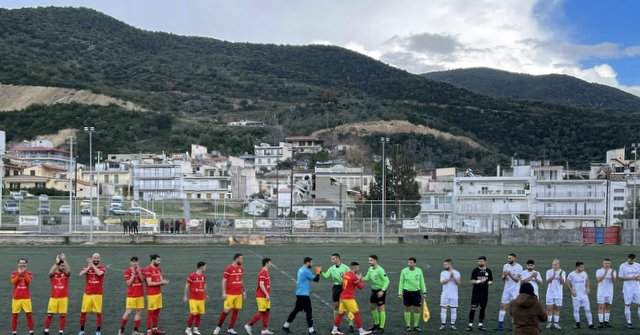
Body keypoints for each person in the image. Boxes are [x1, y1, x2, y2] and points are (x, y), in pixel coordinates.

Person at [330, 262, 373, 335]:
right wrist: (360, 279)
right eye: (358, 267)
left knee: (340, 314)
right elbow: (361, 287)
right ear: (354, 267)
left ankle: (334, 330)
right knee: (356, 313)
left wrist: (357, 279)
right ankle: (361, 331)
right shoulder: (354, 277)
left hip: (342, 297)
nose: (358, 269)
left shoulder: (346, 274)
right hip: (349, 298)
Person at [282, 257, 320, 334]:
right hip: (304, 295)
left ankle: (286, 326)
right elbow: (316, 280)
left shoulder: (301, 269)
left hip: (299, 293)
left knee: (296, 310)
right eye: (311, 263)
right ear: (307, 262)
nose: (312, 264)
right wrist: (318, 272)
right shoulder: (306, 271)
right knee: (309, 311)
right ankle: (311, 330)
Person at [214, 253, 245, 335]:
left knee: (236, 311)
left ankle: (230, 328)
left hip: (238, 294)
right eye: (241, 259)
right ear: (236, 259)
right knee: (226, 311)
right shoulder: (229, 268)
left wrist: (244, 291)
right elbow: (224, 280)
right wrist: (224, 292)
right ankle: (218, 327)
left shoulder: (241, 268)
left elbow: (241, 280)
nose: (242, 260)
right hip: (230, 294)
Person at [321, 253, 352, 332]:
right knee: (336, 306)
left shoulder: (345, 267)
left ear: (338, 259)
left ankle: (351, 324)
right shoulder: (331, 268)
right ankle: (336, 325)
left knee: (347, 306)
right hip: (336, 288)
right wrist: (320, 272)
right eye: (331, 259)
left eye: (333, 259)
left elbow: (351, 276)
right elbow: (326, 276)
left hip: (344, 288)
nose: (332, 260)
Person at [78, 253, 106, 335]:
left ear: (100, 259)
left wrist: (91, 265)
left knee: (98, 313)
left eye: (97, 258)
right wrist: (89, 267)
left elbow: (99, 273)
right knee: (83, 312)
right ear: (92, 258)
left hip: (98, 294)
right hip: (87, 294)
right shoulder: (88, 267)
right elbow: (80, 274)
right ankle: (82, 330)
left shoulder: (102, 267)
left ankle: (98, 331)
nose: (96, 259)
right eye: (94, 258)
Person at [245, 258, 274, 335]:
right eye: (270, 262)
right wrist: (267, 294)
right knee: (262, 312)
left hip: (266, 296)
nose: (271, 264)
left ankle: (265, 329)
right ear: (266, 263)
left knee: (267, 311)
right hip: (261, 296)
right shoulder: (263, 272)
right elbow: (261, 285)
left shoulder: (266, 271)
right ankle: (248, 325)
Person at [398, 257, 426, 332]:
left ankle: (416, 326)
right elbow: (401, 282)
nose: (409, 264)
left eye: (411, 263)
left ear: (414, 263)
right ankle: (408, 325)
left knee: (417, 309)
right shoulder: (404, 271)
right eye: (408, 262)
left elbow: (422, 281)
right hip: (406, 292)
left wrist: (424, 291)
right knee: (407, 308)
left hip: (416, 292)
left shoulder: (419, 271)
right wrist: (400, 293)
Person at [143, 254, 169, 335]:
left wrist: (164, 282)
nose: (159, 262)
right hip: (151, 295)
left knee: (157, 313)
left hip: (158, 294)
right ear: (153, 260)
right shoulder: (148, 269)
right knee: (150, 313)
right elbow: (149, 283)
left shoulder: (159, 269)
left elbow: (160, 280)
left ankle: (155, 329)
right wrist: (161, 282)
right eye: (158, 260)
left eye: (159, 260)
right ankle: (148, 331)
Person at [363, 255, 390, 333]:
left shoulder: (380, 270)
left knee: (381, 308)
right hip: (374, 291)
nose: (369, 262)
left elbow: (387, 281)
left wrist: (382, 291)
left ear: (375, 261)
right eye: (369, 260)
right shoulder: (370, 269)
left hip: (380, 291)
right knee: (372, 307)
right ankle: (376, 324)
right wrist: (360, 278)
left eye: (371, 260)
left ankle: (381, 327)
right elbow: (367, 278)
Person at [45, 254, 71, 335]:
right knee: (50, 314)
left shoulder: (66, 275)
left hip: (63, 298)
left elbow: (69, 271)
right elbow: (50, 273)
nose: (63, 267)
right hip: (54, 298)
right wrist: (57, 263)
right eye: (61, 266)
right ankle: (46, 330)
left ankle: (61, 331)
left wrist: (64, 260)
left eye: (64, 266)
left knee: (62, 315)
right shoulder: (53, 275)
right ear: (58, 266)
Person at [120, 256, 146, 335]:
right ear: (130, 262)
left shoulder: (141, 270)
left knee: (138, 312)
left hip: (140, 295)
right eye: (133, 261)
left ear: (138, 262)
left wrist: (139, 271)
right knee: (128, 312)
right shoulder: (127, 271)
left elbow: (142, 280)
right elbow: (128, 283)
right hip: (131, 295)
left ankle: (135, 331)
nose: (135, 263)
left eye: (136, 261)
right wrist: (133, 274)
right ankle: (121, 331)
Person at [467, 256, 493, 332]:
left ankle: (480, 325)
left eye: (481, 261)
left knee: (482, 309)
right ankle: (470, 325)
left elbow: (491, 280)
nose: (480, 263)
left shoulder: (488, 271)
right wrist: (478, 281)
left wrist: (489, 283)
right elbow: (471, 281)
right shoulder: (475, 270)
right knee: (473, 308)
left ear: (485, 262)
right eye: (479, 261)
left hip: (484, 293)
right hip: (476, 293)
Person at [497, 253, 522, 331]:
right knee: (502, 306)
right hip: (506, 290)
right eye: (508, 258)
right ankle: (500, 325)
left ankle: (514, 326)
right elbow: (503, 278)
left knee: (514, 308)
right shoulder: (505, 266)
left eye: (510, 258)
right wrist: (504, 276)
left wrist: (510, 274)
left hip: (515, 290)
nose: (508, 260)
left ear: (514, 258)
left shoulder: (519, 267)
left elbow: (517, 280)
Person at [566, 261, 594, 329]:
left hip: (584, 295)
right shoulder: (571, 274)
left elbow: (587, 280)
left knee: (587, 309)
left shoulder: (584, 273)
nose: (583, 268)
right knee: (576, 310)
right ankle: (577, 324)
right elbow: (567, 282)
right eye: (582, 267)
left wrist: (588, 288)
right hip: (576, 295)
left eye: (583, 267)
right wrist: (571, 290)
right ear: (577, 267)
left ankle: (590, 324)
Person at [11, 258, 34, 335]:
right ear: (18, 264)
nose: (22, 264)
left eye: (24, 263)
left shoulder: (29, 273)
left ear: (26, 264)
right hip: (16, 298)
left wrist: (24, 273)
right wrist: (19, 274)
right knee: (15, 315)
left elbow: (28, 282)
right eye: (20, 263)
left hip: (26, 298)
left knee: (29, 315)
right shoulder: (14, 272)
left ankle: (31, 331)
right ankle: (14, 331)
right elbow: (13, 282)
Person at [184, 261, 207, 335]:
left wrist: (205, 294)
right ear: (201, 267)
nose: (206, 268)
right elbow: (187, 285)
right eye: (205, 266)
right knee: (194, 313)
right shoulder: (192, 275)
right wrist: (185, 295)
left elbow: (204, 285)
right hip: (193, 298)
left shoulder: (203, 276)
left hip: (201, 298)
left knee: (199, 314)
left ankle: (195, 329)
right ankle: (188, 329)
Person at [439, 258, 461, 331]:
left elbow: (458, 283)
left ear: (450, 264)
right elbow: (442, 282)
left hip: (454, 295)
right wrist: (449, 277)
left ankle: (452, 325)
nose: (444, 266)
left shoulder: (457, 272)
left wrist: (453, 276)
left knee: (453, 310)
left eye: (445, 264)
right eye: (444, 264)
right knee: (443, 309)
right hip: (445, 294)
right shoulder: (443, 273)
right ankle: (443, 324)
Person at [619, 253, 640, 328]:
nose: (631, 260)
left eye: (632, 259)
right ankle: (629, 322)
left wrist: (638, 278)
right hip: (627, 289)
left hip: (637, 288)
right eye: (629, 258)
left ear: (634, 259)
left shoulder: (638, 265)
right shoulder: (623, 265)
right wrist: (632, 278)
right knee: (627, 305)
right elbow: (621, 278)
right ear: (627, 258)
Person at [544, 259, 565, 330]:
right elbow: (547, 281)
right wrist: (553, 276)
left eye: (555, 264)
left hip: (558, 294)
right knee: (549, 308)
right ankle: (549, 323)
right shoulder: (549, 271)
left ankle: (556, 323)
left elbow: (562, 283)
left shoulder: (563, 272)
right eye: (553, 264)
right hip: (550, 293)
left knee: (557, 309)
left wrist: (561, 277)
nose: (554, 266)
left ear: (559, 264)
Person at [596, 258, 616, 328]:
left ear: (610, 264)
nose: (607, 265)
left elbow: (614, 282)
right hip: (601, 292)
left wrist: (611, 274)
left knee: (608, 306)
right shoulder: (599, 271)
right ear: (603, 263)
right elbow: (598, 280)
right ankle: (601, 323)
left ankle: (606, 322)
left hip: (610, 292)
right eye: (605, 263)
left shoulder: (613, 271)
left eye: (608, 263)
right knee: (601, 306)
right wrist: (605, 273)